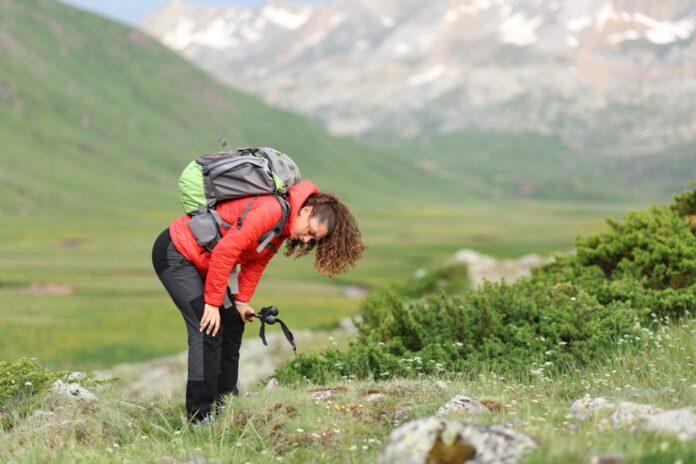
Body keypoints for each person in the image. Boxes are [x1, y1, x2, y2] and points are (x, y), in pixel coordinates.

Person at [151, 179, 365, 425]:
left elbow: (256, 263)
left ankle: (227, 403)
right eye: (310, 232)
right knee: (207, 328)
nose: (307, 240)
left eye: (313, 240)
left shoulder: (282, 227)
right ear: (306, 211)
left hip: (204, 262)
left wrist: (241, 301)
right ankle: (201, 416)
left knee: (232, 322)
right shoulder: (271, 211)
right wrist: (211, 304)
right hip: (176, 253)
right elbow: (226, 251)